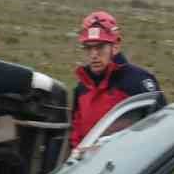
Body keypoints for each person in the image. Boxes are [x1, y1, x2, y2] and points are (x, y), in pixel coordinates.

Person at [69, 10, 164, 149]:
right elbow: (76, 134)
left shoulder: (138, 82)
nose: (94, 55)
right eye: (88, 48)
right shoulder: (81, 88)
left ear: (116, 46)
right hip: (87, 167)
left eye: (100, 47)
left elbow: (161, 129)